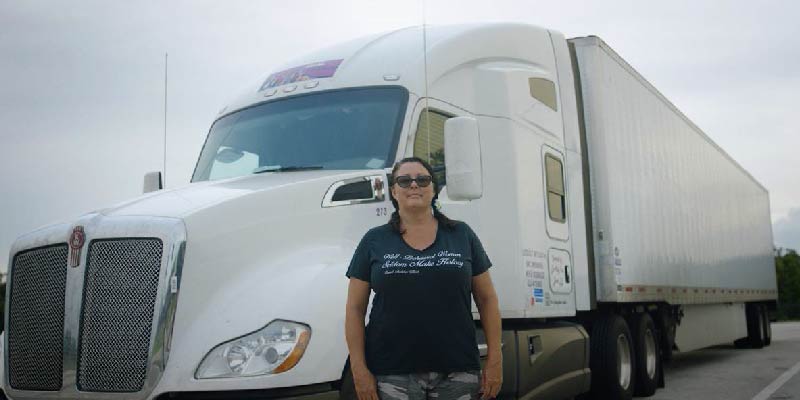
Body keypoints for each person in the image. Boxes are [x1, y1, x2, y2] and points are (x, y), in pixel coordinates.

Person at [344, 157, 503, 400]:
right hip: (390, 373)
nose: (414, 185)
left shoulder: (462, 234)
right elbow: (355, 309)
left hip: (457, 371)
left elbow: (487, 299)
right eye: (404, 180)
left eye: (423, 179)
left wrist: (495, 359)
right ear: (394, 191)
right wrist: (359, 369)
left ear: (434, 189)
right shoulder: (373, 240)